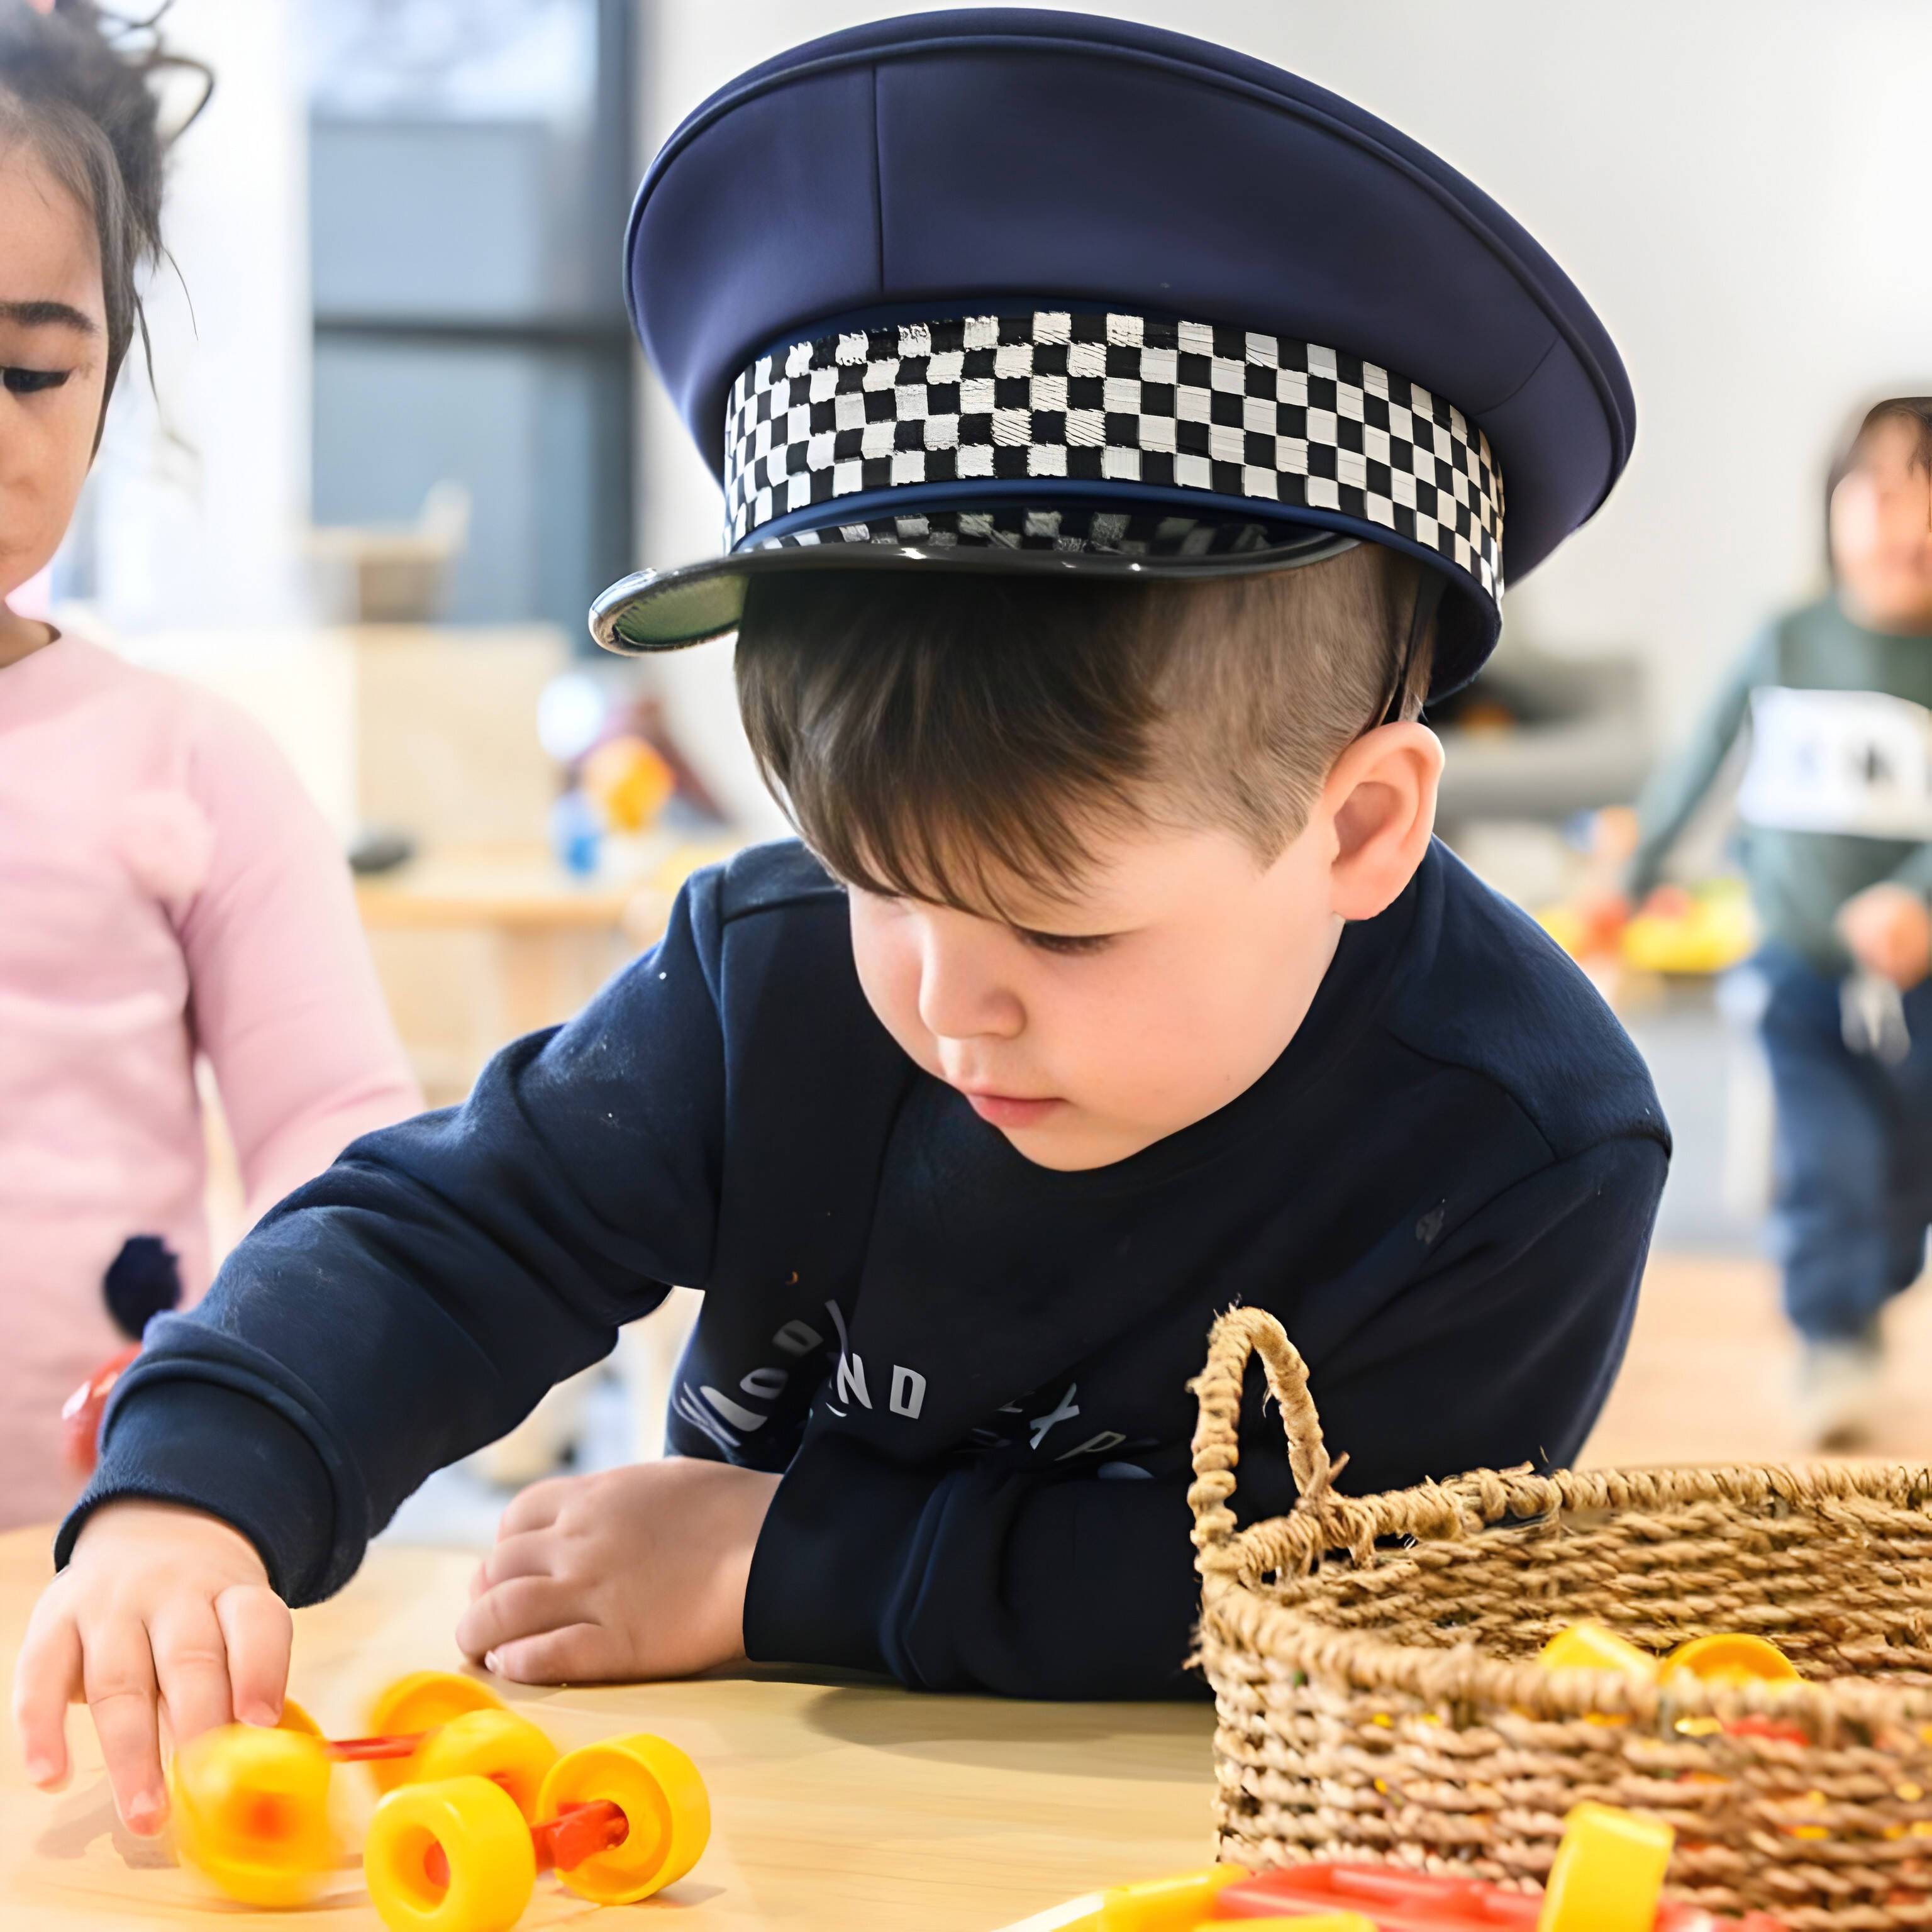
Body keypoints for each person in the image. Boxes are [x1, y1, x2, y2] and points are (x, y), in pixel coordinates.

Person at [14, 10, 1667, 1835]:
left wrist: (777, 1562)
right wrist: (203, 1482)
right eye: (877, 878)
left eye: (1062, 931)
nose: (950, 1005)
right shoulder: (774, 974)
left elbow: (1348, 1597)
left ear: (1358, 827)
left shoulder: (1525, 1145)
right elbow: (452, 1232)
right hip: (764, 1814)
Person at [0, 0, 419, 1529]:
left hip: (98, 1556)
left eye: (33, 374)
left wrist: (240, 1376)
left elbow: (340, 1139)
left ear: (108, 380)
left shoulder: (190, 765)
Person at [1624, 397, 1932, 1448]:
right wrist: (1639, 867)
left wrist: (1919, 902)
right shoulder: (1790, 639)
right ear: (1835, 509)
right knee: (1828, 1151)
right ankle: (1832, 1333)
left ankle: (1878, 1275)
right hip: (1798, 966)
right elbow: (1705, 755)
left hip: (1919, 984)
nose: (1913, 518)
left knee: (1901, 1179)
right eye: (1888, 488)